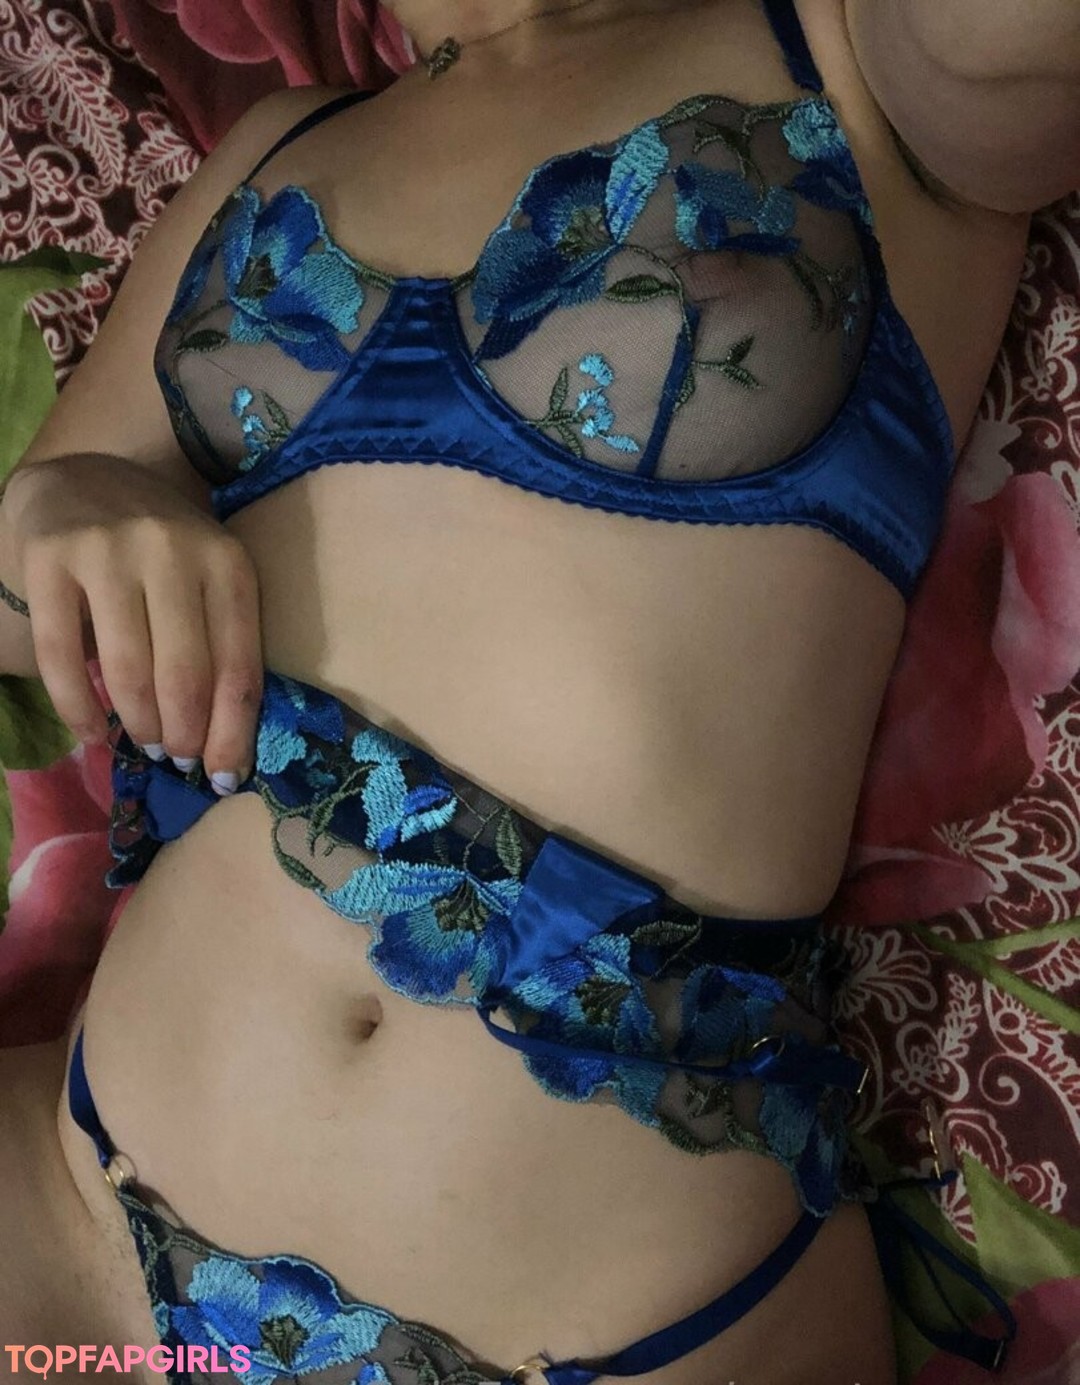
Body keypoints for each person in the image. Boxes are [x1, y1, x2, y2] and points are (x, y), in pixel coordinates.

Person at [0, 0, 1070, 1379]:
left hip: (621, 1338)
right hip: (83, 1237)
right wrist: (69, 499)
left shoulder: (860, 55)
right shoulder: (278, 146)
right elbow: (19, 608)